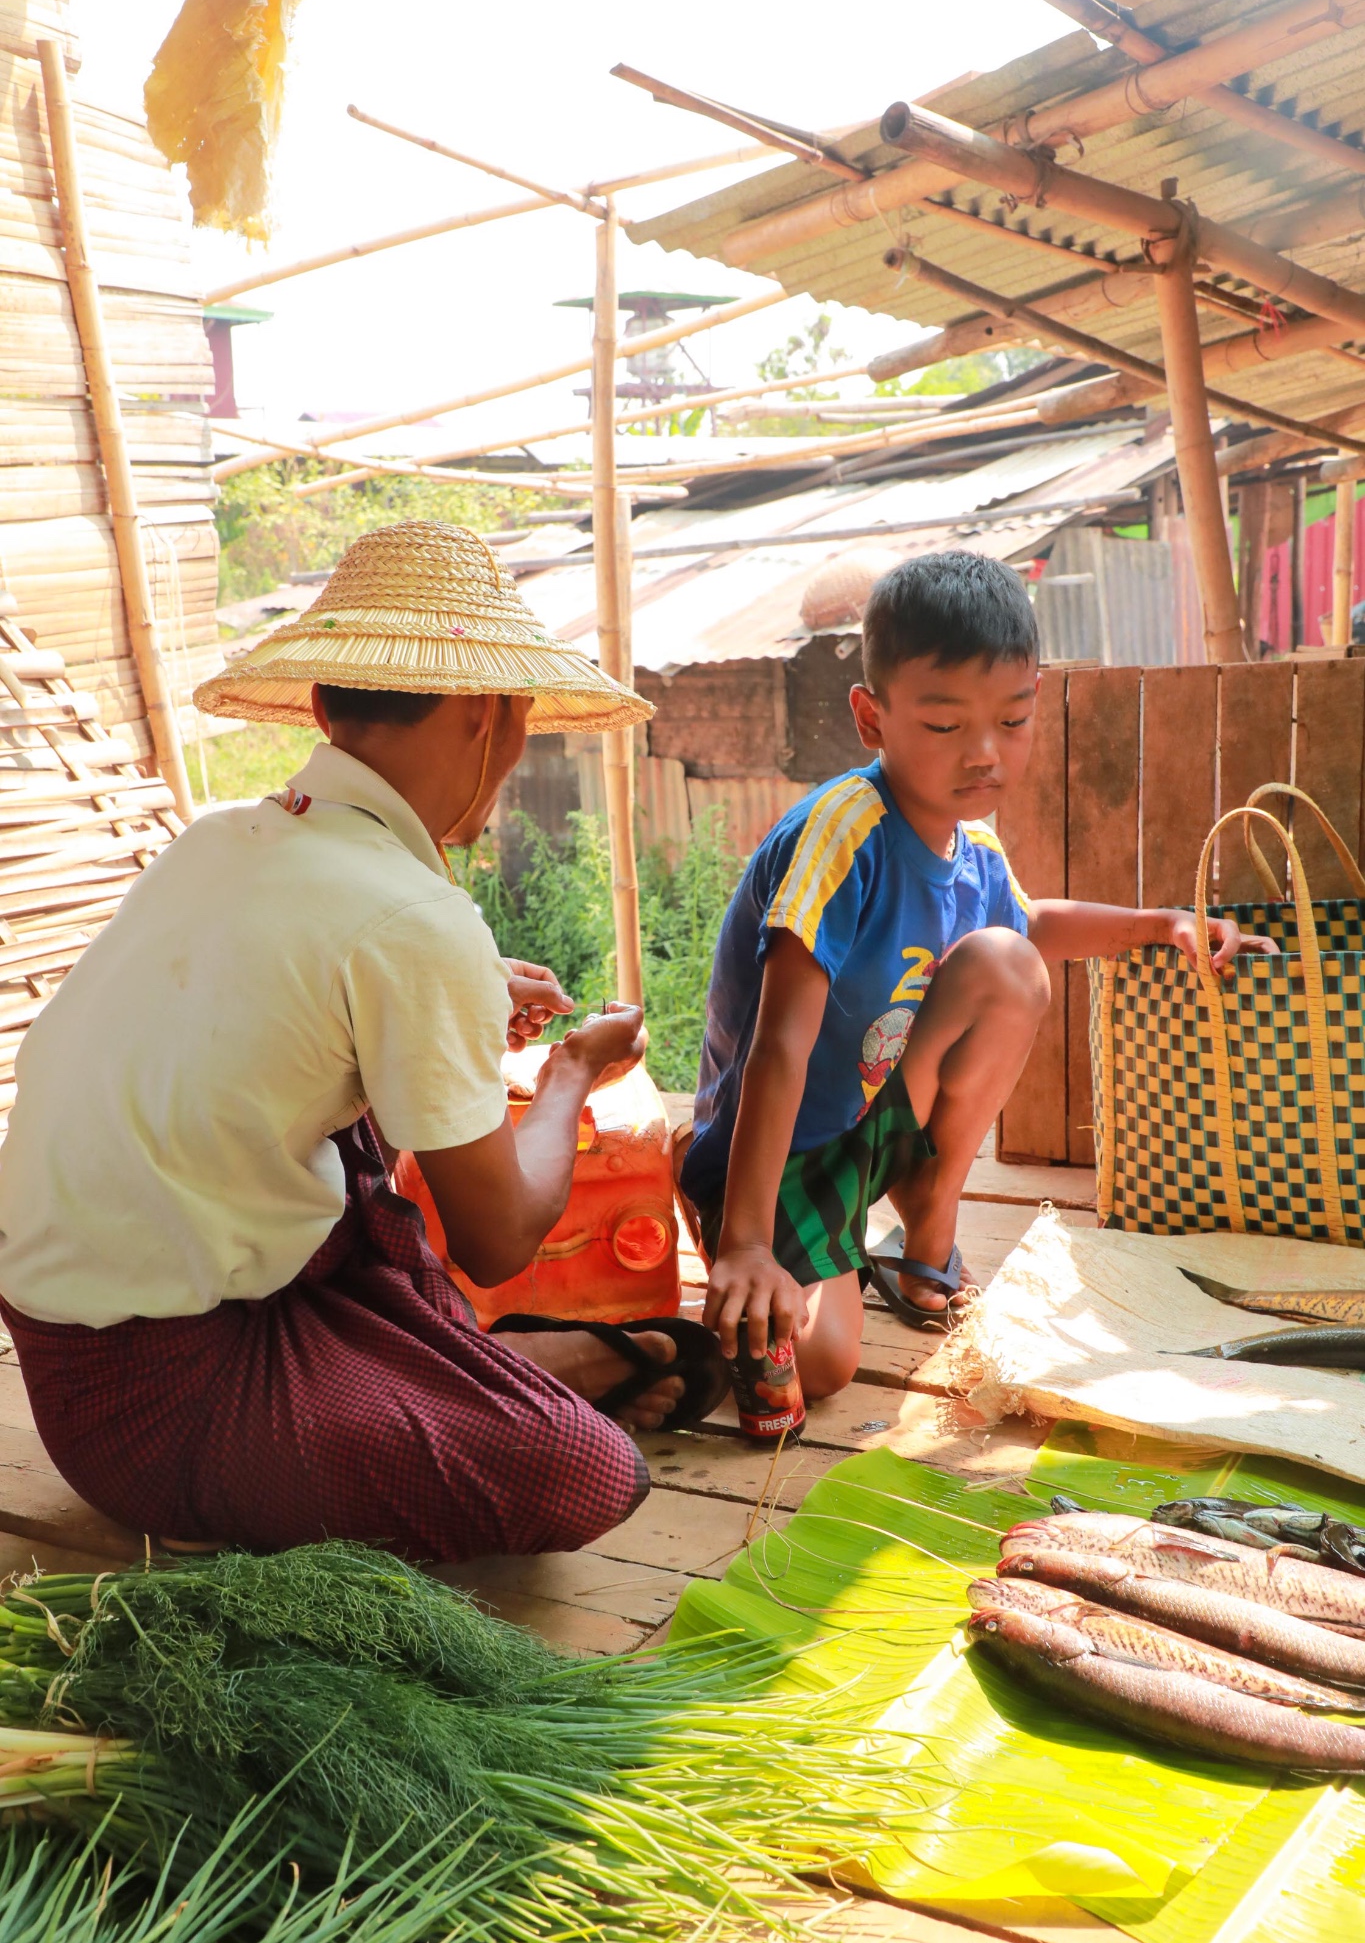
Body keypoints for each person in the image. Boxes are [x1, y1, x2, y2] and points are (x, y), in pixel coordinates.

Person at [0, 521, 726, 1565]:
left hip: (72, 1339)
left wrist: (467, 991)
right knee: (589, 1473)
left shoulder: (220, 839)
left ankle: (476, 1367)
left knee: (362, 1136)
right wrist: (572, 1072)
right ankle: (522, 1368)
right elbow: (497, 1241)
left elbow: (276, 997)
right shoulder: (412, 920)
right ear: (492, 720)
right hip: (157, 1409)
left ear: (326, 709)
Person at [682, 550, 1272, 1401]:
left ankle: (928, 1216)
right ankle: (707, 1197)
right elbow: (779, 1044)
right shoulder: (842, 834)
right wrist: (741, 1239)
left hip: (873, 1130)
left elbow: (1029, 928)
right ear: (870, 717)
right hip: (771, 1156)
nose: (985, 753)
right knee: (818, 1367)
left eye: (1014, 719)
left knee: (1007, 961)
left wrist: (1160, 925)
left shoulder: (973, 851)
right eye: (945, 724)